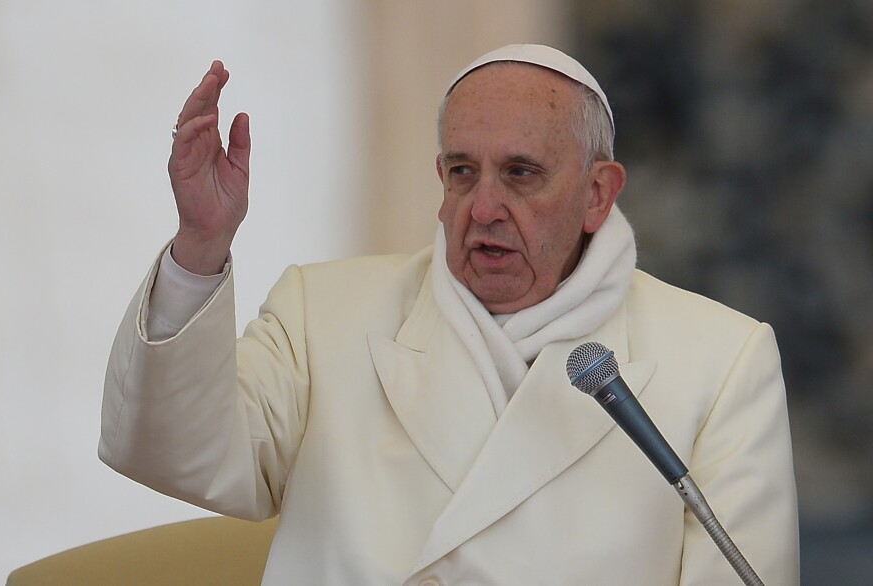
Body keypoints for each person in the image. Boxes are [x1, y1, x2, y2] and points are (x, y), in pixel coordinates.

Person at [99, 44, 800, 585]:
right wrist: (200, 246)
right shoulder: (326, 313)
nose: (484, 207)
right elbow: (176, 454)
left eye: (520, 173)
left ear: (597, 194)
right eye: (463, 171)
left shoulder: (720, 361)